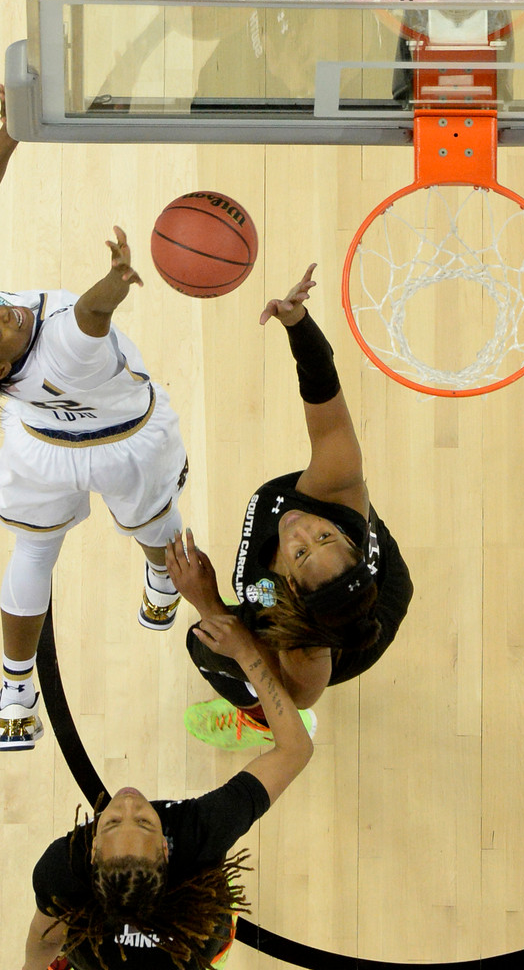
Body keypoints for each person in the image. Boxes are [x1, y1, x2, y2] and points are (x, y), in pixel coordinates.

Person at [0, 88, 188, 751]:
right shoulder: (62, 350)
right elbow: (92, 316)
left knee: (34, 548)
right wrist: (117, 280)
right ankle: (152, 582)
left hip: (41, 444)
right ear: (1, 375)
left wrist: (9, 132)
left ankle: (15, 690)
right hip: (125, 441)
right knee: (156, 527)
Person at [168, 265, 413, 749]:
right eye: (325, 536)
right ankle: (255, 708)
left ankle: (255, 719)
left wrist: (209, 605)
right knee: (225, 634)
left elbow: (299, 698)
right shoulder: (338, 490)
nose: (300, 529)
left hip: (344, 630)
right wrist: (298, 324)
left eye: (301, 553)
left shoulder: (307, 648)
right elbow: (324, 395)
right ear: (347, 537)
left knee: (207, 646)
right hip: (369, 595)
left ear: (292, 589)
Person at [21, 607, 314, 970]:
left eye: (110, 822)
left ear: (93, 851)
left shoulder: (62, 869)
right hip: (196, 950)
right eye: (144, 821)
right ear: (165, 846)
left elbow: (44, 940)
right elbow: (296, 748)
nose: (128, 804)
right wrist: (246, 653)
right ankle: (252, 714)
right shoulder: (199, 833)